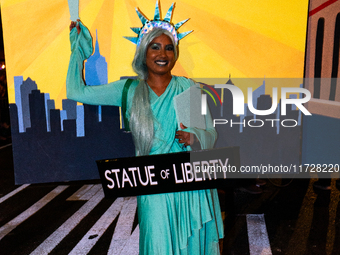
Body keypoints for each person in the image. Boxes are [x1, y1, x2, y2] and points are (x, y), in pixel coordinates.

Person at [67, 3, 224, 254]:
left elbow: (210, 133)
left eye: (169, 48)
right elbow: (76, 91)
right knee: (157, 243)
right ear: (143, 51)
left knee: (192, 246)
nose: (163, 53)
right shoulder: (128, 91)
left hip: (188, 182)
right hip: (152, 182)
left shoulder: (186, 88)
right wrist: (78, 50)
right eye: (155, 46)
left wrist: (194, 137)